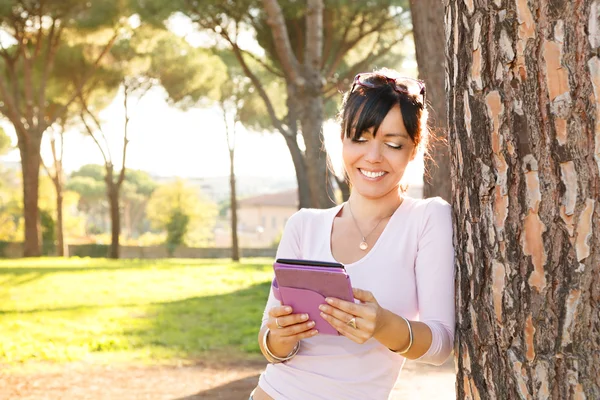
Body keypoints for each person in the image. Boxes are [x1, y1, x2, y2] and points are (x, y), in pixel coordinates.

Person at [250, 68, 455, 400]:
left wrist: (382, 325)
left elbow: (441, 343)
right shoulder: (303, 226)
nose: (372, 157)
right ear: (342, 140)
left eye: (392, 143)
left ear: (414, 149)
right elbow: (269, 343)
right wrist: (280, 337)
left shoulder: (427, 218)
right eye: (360, 138)